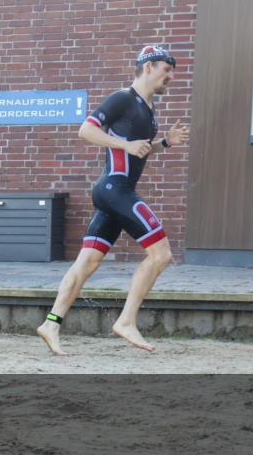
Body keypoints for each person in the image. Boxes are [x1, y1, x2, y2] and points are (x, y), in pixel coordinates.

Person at [37, 45, 189, 355]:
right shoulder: (122, 98)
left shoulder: (147, 109)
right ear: (147, 67)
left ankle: (51, 323)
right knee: (161, 255)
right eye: (166, 69)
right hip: (115, 188)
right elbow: (86, 130)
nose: (170, 76)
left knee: (88, 262)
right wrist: (125, 144)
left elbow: (138, 148)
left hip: (112, 194)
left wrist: (163, 143)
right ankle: (126, 321)